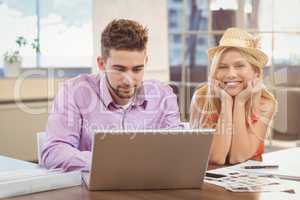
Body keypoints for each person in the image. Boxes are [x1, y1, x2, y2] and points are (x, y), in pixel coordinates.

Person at [41, 19, 182, 171]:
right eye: (119, 69)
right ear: (102, 64)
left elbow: (178, 149)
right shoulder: (74, 92)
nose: (128, 80)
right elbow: (53, 152)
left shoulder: (164, 96)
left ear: (145, 61)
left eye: (137, 69)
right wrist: (114, 162)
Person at [190, 28, 277, 165]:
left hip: (251, 182)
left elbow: (238, 157)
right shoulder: (201, 98)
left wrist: (240, 103)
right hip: (208, 180)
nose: (231, 74)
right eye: (223, 67)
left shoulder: (265, 103)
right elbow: (216, 157)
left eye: (239, 66)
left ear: (255, 72)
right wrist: (226, 102)